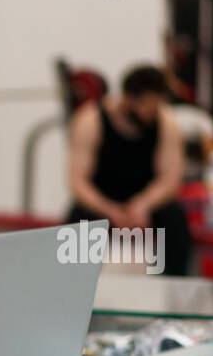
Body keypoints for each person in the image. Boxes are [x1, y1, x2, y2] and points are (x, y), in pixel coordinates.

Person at [67, 64, 191, 276]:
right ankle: (72, 292)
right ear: (128, 99)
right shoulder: (90, 121)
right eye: (147, 106)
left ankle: (174, 291)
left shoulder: (166, 123)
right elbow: (78, 183)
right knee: (77, 222)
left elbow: (170, 179)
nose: (151, 113)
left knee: (174, 218)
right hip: (101, 201)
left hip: (145, 201)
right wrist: (110, 211)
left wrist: (143, 205)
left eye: (156, 106)